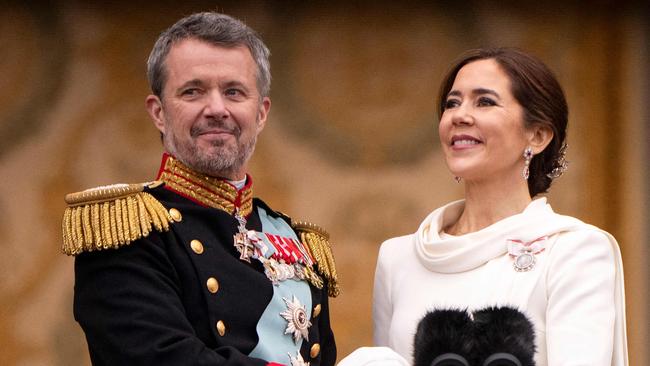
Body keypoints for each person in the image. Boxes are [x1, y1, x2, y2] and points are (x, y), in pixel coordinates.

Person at [61, 12, 338, 366]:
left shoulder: (295, 239)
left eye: (234, 92)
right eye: (193, 91)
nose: (216, 109)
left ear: (262, 112)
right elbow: (158, 358)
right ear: (158, 112)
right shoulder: (126, 230)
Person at [341, 48, 627, 366]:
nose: (459, 115)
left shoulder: (576, 250)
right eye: (452, 103)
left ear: (538, 135)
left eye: (485, 101)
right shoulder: (398, 258)